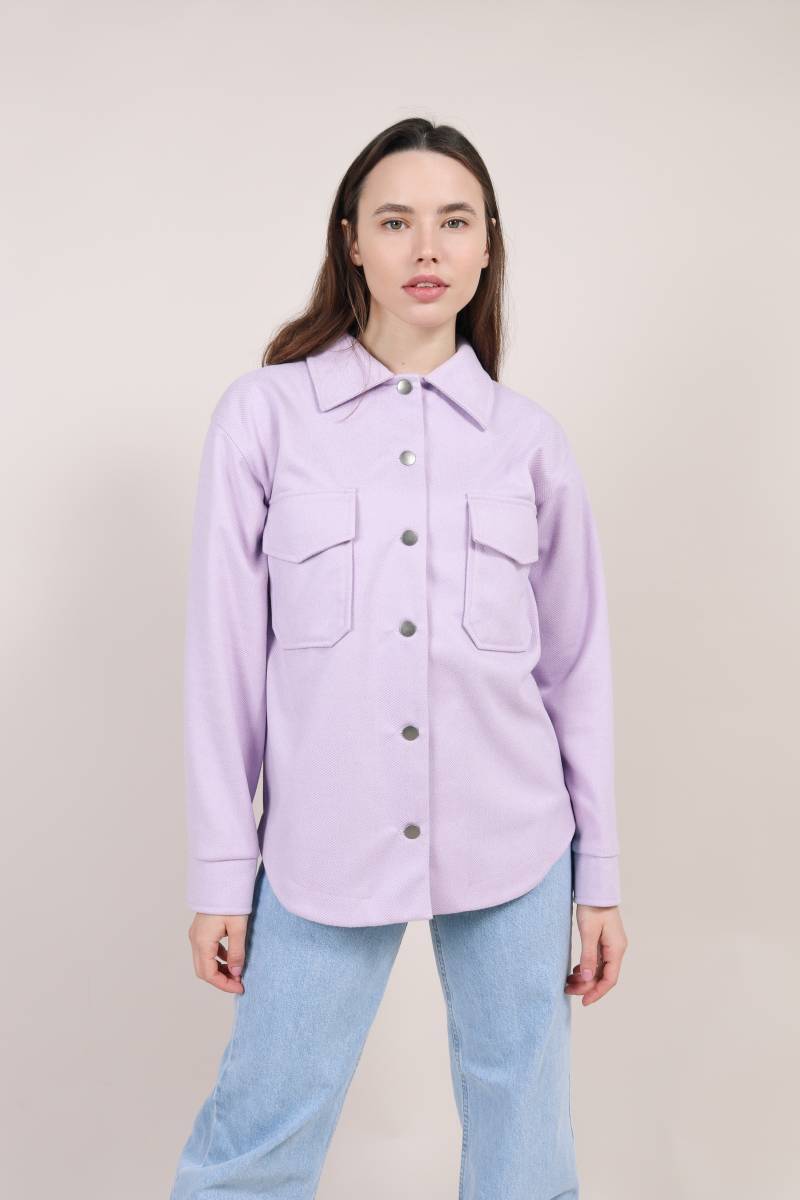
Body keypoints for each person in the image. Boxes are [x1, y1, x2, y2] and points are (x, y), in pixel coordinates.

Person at [170, 115, 628, 1200]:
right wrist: (223, 870)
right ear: (352, 243)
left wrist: (600, 875)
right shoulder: (265, 419)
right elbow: (222, 662)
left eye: (454, 222)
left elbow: (576, 671)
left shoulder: (527, 441)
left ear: (487, 246)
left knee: (526, 1151)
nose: (426, 248)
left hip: (517, 842)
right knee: (257, 1134)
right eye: (395, 221)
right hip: (323, 840)